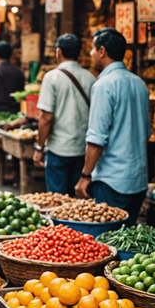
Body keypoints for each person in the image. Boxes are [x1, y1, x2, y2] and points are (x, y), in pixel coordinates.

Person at [75, 28, 150, 226]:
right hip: (138, 180)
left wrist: (84, 175)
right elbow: (147, 132)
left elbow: (96, 138)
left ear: (102, 51)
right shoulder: (140, 84)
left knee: (108, 243)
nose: (91, 54)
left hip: (112, 181)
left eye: (92, 49)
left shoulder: (104, 85)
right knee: (128, 240)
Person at [33, 34, 96, 195]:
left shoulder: (52, 77)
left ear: (58, 52)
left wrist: (39, 147)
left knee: (57, 201)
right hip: (83, 150)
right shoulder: (91, 78)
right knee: (75, 205)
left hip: (59, 150)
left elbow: (46, 118)